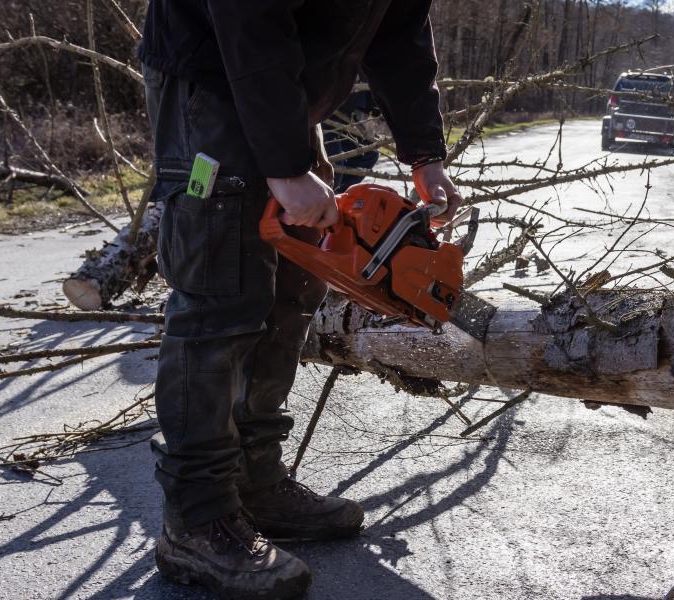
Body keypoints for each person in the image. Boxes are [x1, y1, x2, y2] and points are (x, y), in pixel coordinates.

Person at [137, 2, 461, 597]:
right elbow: (247, 16)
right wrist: (285, 164)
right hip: (212, 78)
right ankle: (197, 516)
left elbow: (400, 32)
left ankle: (254, 482)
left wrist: (425, 153)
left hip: (283, 90)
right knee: (218, 296)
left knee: (294, 286)